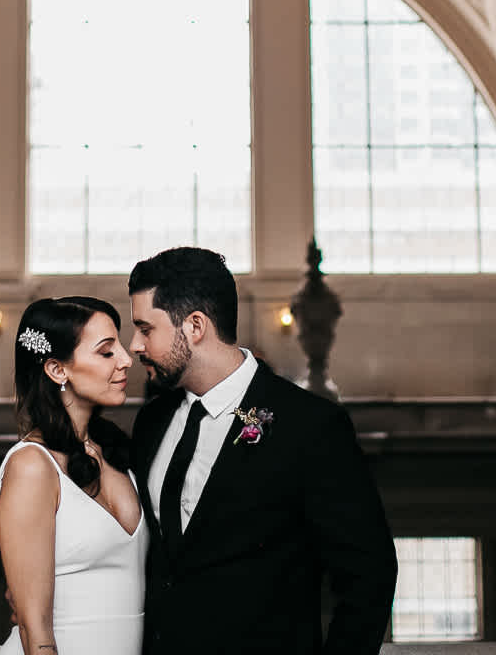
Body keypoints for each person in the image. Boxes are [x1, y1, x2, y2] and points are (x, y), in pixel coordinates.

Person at [129, 246, 397, 655]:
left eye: (145, 329)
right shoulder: (152, 421)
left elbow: (369, 575)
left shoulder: (310, 425)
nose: (134, 345)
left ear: (195, 326)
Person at [0, 296, 147, 655]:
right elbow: (36, 634)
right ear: (57, 370)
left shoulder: (116, 453)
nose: (127, 360)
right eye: (107, 352)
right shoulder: (31, 466)